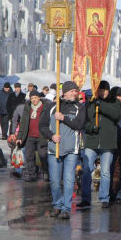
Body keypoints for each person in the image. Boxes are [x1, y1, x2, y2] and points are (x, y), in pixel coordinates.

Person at [39, 81, 86, 219]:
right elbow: (42, 126)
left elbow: (79, 125)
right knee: (54, 180)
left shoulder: (79, 107)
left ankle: (66, 208)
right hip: (54, 149)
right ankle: (57, 205)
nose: (75, 93)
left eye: (76, 91)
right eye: (72, 91)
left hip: (72, 149)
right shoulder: (52, 107)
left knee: (69, 179)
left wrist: (63, 118)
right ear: (64, 92)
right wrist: (51, 136)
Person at [78, 80, 121, 208]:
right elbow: (83, 122)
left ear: (108, 91)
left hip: (107, 143)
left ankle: (104, 198)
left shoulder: (115, 102)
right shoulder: (89, 104)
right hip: (92, 141)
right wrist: (91, 128)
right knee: (86, 169)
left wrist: (101, 105)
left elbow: (116, 115)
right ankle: (85, 198)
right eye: (100, 90)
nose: (103, 92)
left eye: (105, 90)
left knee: (105, 172)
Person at [16, 91, 48, 182]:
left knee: (43, 155)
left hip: (41, 136)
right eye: (32, 98)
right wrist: (19, 137)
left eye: (35, 97)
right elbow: (23, 123)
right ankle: (31, 174)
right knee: (29, 156)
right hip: (30, 136)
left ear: (39, 98)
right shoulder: (27, 108)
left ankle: (46, 172)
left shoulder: (45, 107)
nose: (33, 100)